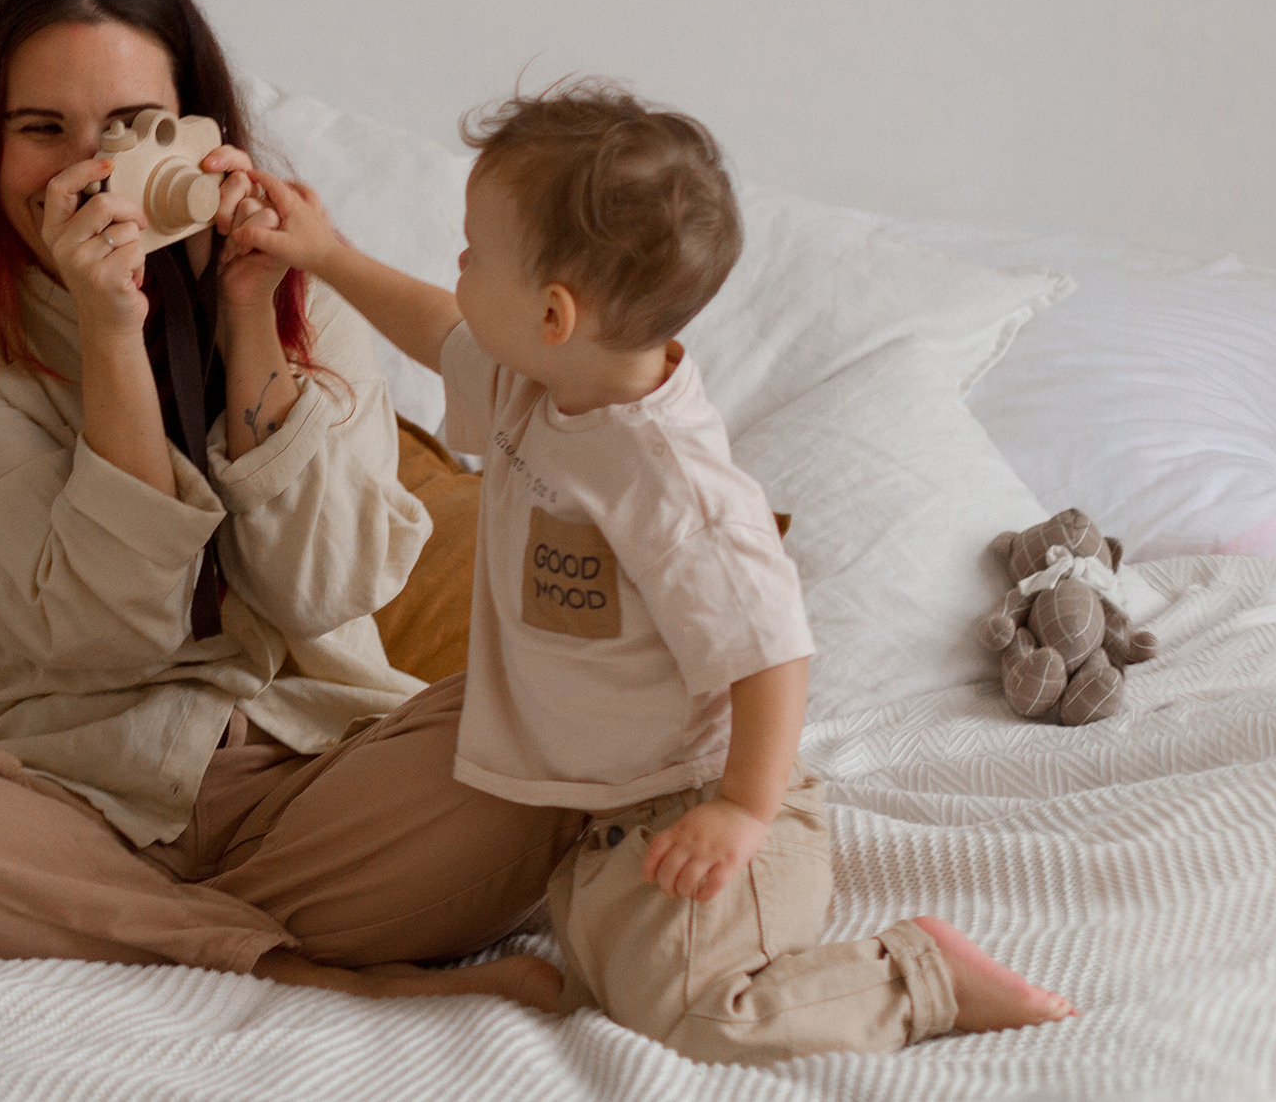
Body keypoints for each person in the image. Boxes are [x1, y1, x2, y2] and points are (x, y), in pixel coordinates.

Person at [0, 0, 582, 1009]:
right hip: (67, 798)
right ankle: (294, 966)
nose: (90, 171)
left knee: (563, 713)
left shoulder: (310, 310)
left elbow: (323, 587)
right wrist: (112, 335)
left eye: (128, 127)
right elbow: (111, 633)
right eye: (40, 129)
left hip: (322, 782)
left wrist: (251, 323)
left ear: (198, 130)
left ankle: (129, 930)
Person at [239, 80, 1079, 1063]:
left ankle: (918, 973)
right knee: (602, 969)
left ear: (553, 312)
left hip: (700, 802)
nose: (456, 268)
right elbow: (438, 329)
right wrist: (326, 254)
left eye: (473, 254)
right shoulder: (535, 385)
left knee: (697, 1016)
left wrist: (740, 810)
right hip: (600, 810)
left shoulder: (669, 482)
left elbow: (774, 649)